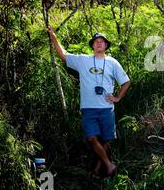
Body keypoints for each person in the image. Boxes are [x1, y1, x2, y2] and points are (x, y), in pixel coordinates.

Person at [47, 26, 130, 177]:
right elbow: (64, 55)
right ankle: (109, 166)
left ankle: (98, 170)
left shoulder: (113, 62)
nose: (99, 43)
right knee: (92, 138)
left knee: (104, 141)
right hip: (88, 108)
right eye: (96, 41)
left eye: (102, 41)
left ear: (106, 45)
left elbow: (126, 82)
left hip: (106, 108)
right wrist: (53, 37)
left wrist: (117, 97)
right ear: (92, 45)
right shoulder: (83, 60)